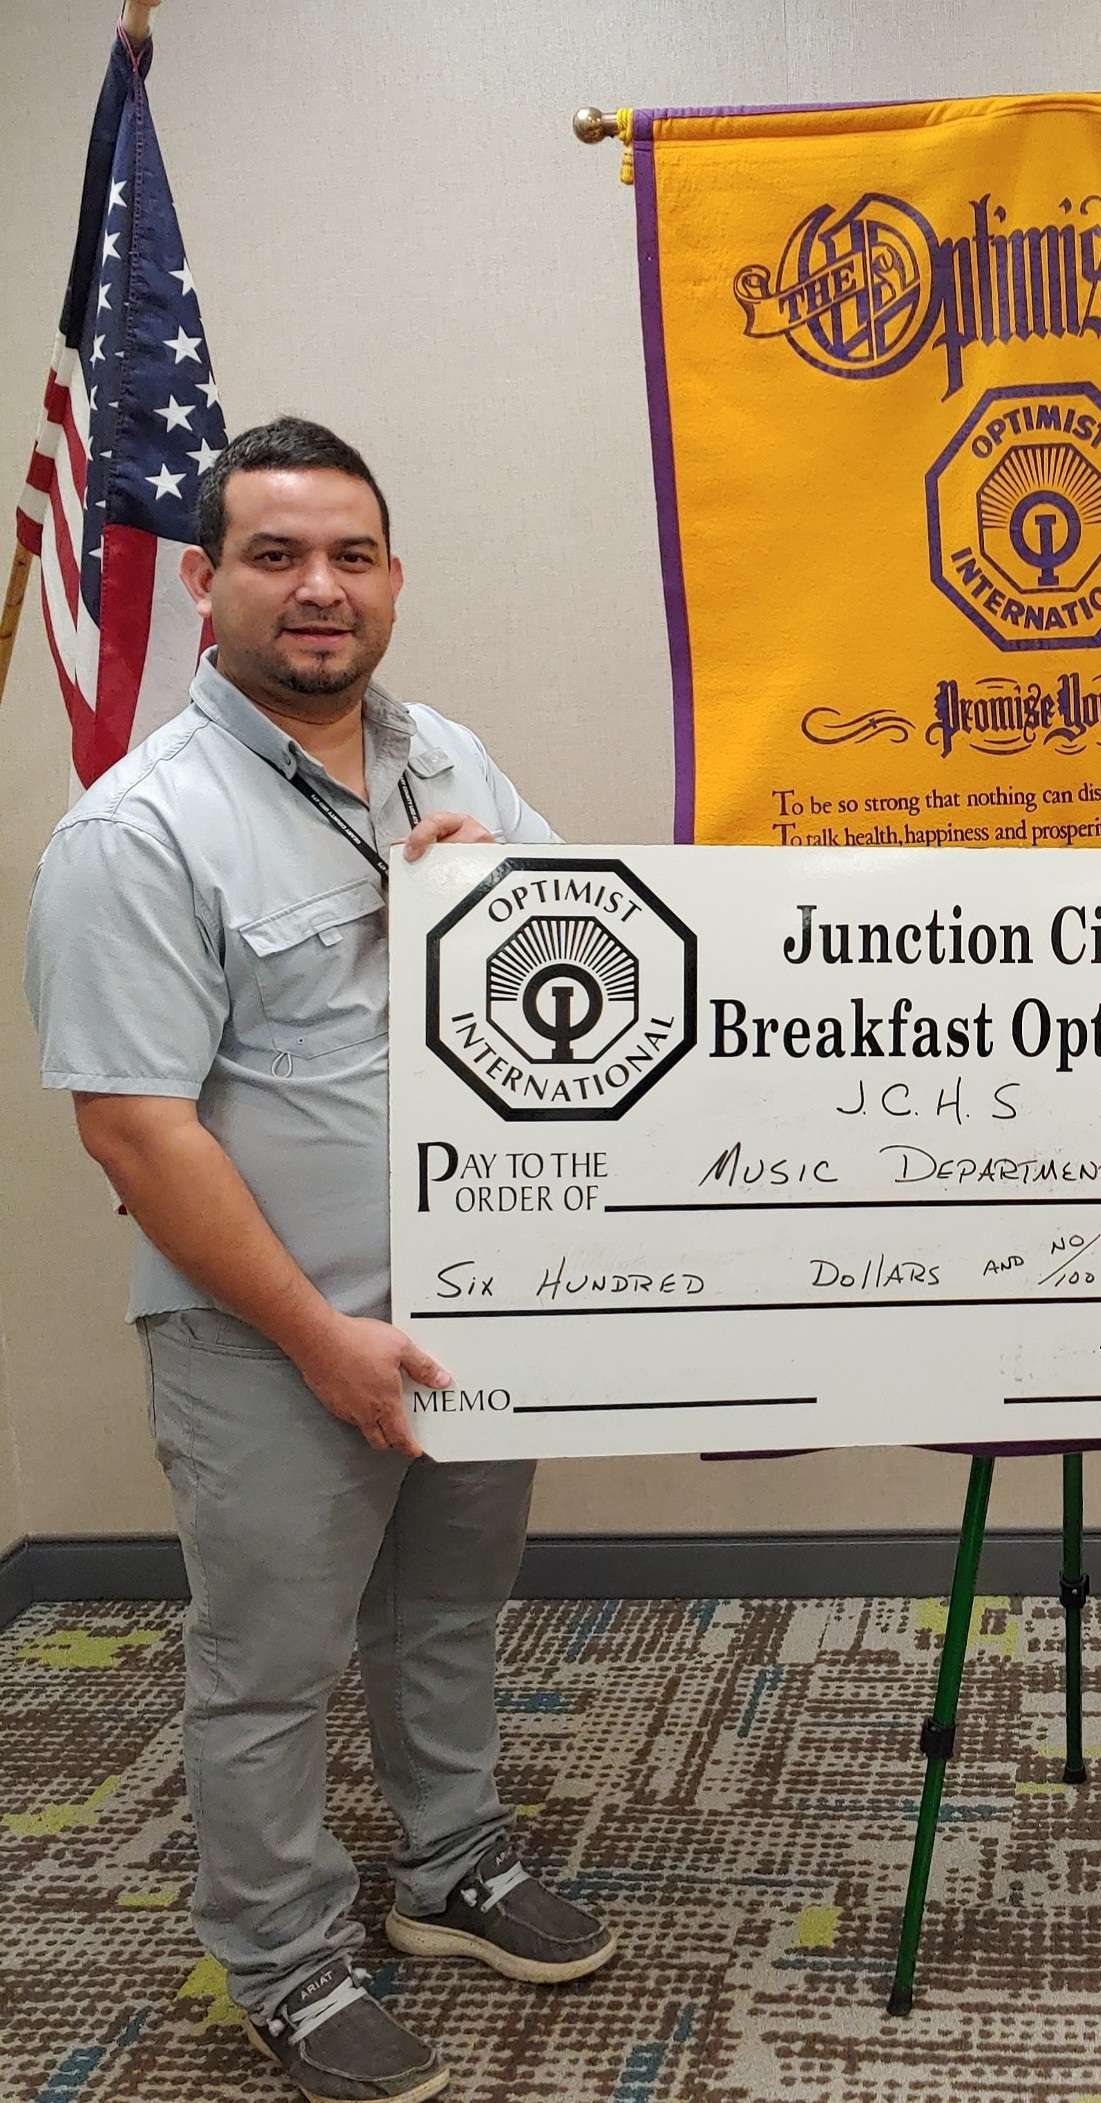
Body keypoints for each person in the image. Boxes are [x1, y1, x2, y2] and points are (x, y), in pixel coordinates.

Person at [24, 418, 614, 2103]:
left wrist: (502, 893)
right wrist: (314, 1334)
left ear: (393, 579)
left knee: (446, 1612)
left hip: (474, 1306)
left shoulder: (449, 758)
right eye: (275, 555)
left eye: (350, 555)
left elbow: (602, 962)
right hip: (269, 1339)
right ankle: (283, 1959)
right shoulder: (141, 830)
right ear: (205, 583)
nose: (319, 589)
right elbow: (137, 1132)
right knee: (269, 1668)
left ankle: (453, 1867)